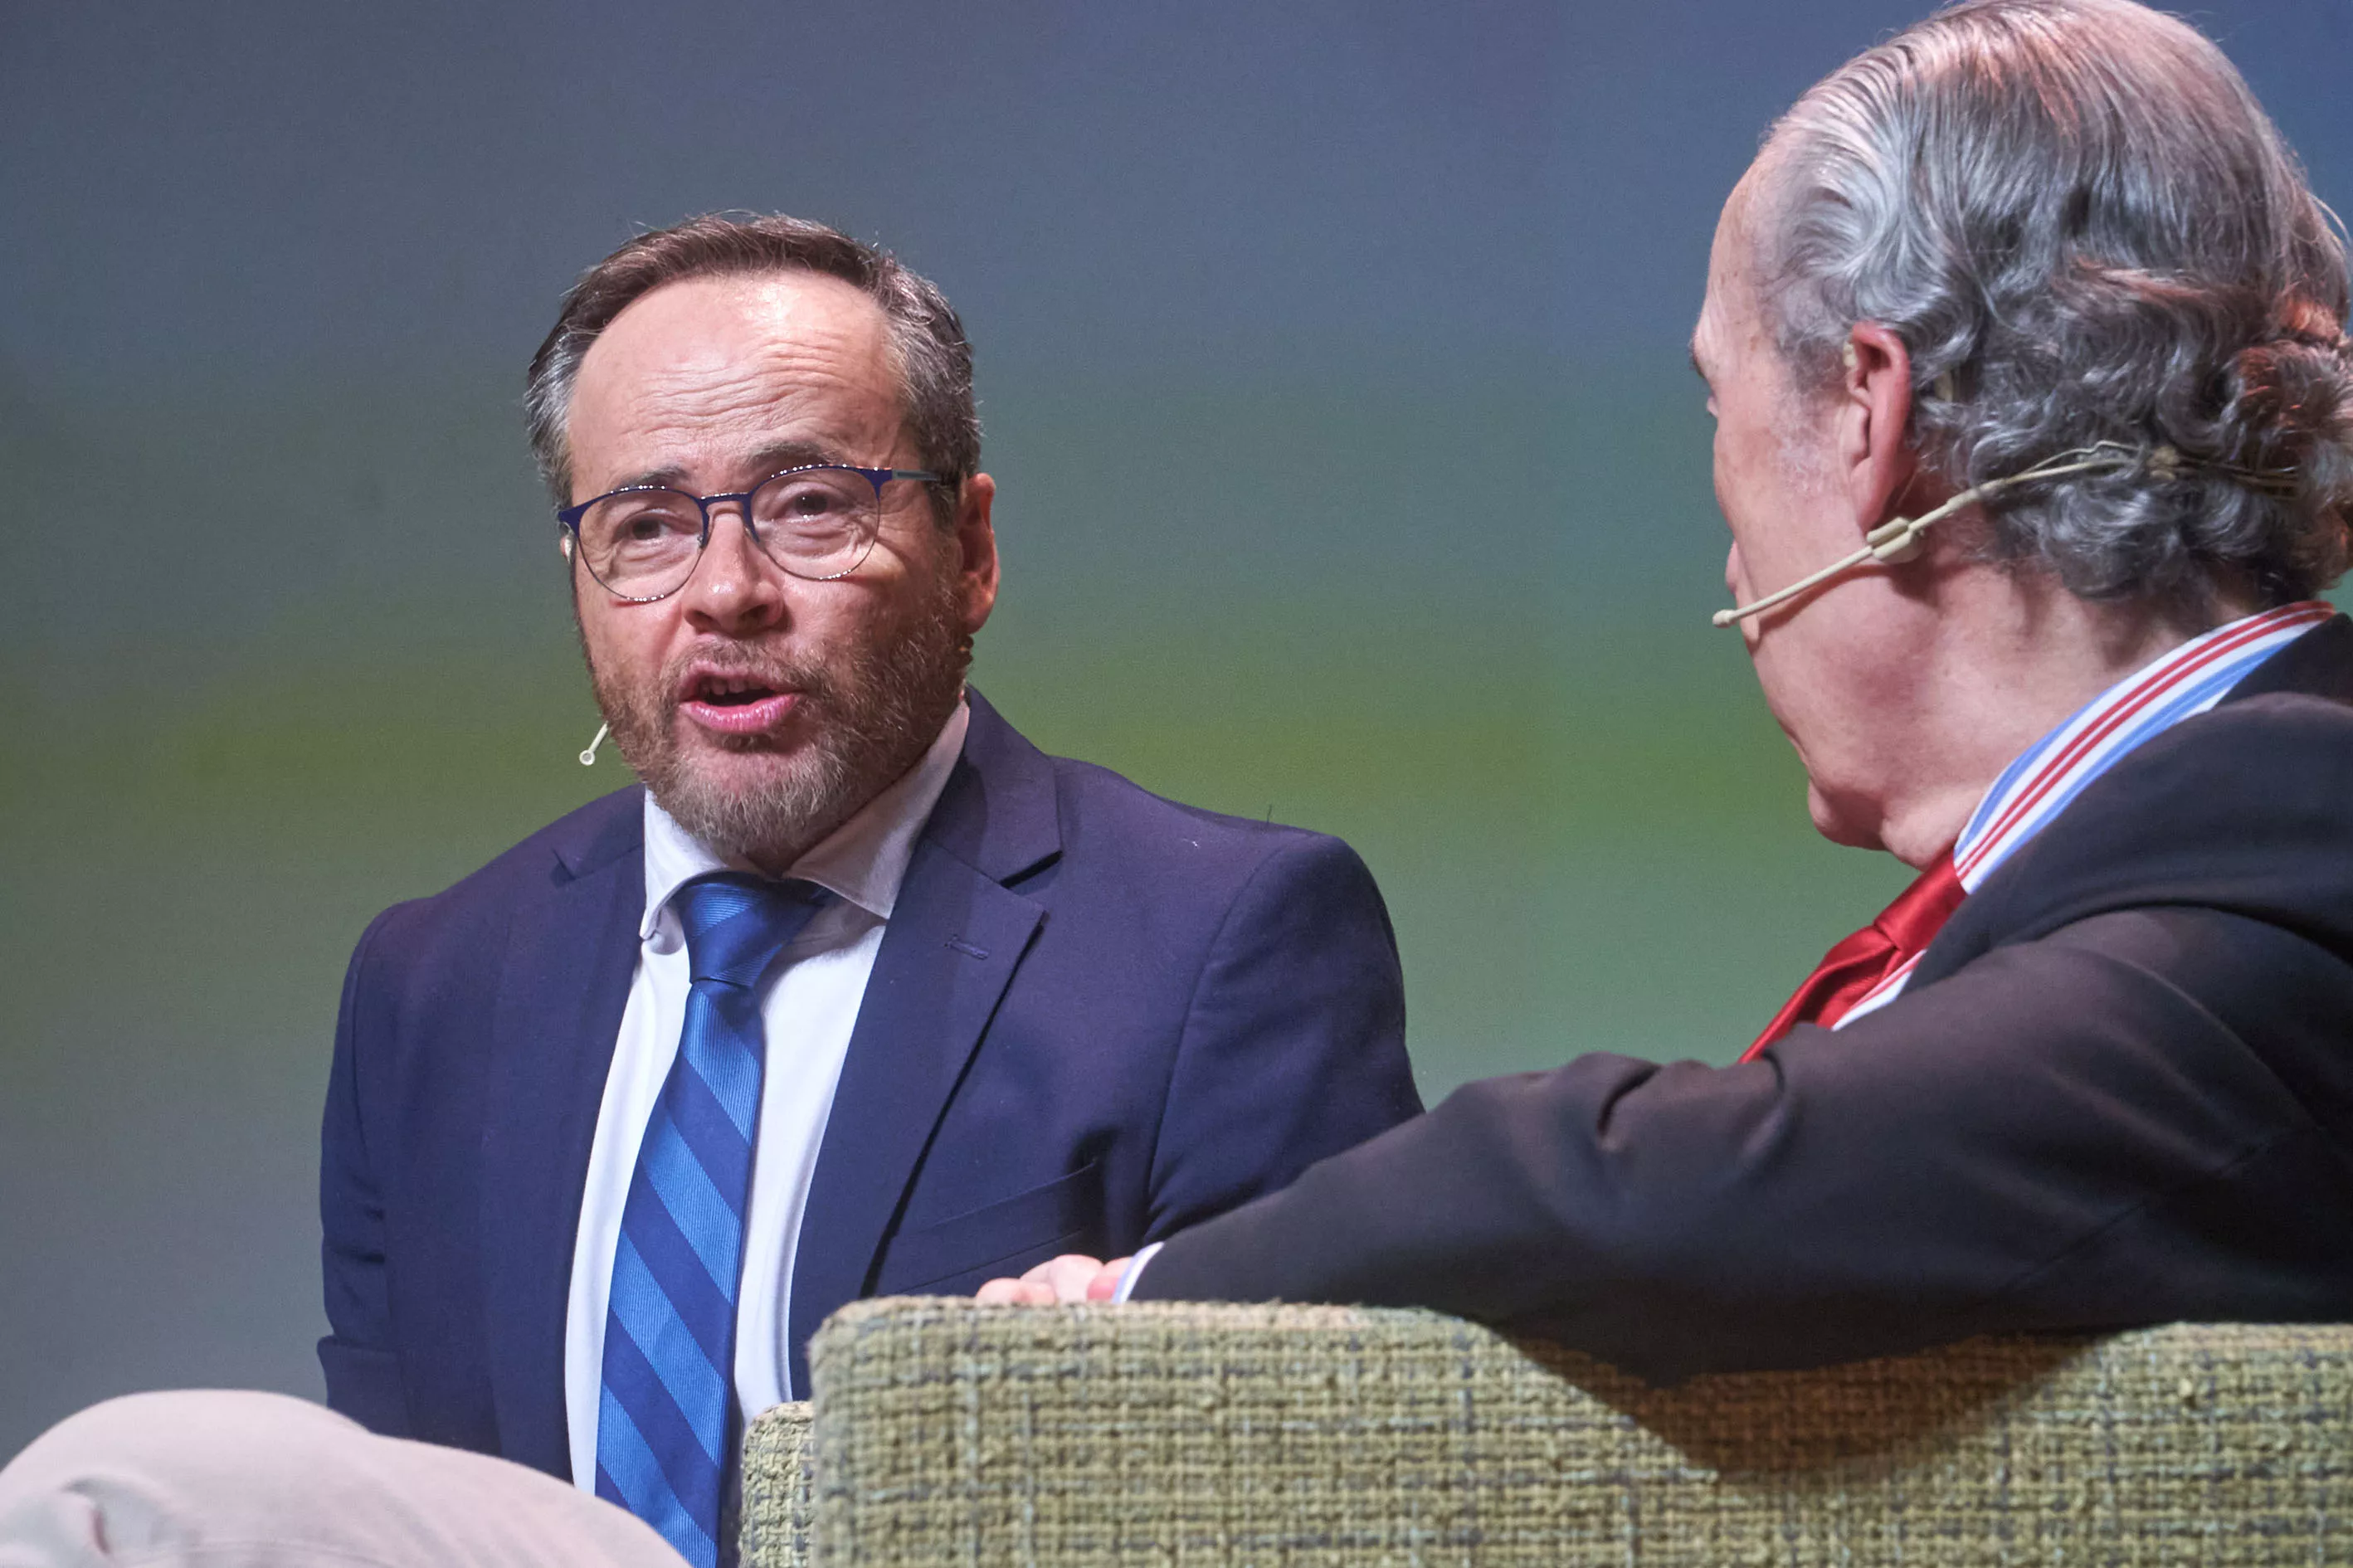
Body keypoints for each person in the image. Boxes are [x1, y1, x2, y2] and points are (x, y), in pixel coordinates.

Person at [984, 0, 2353, 1379]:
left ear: (1874, 416)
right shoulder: (2185, 847)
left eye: (1720, 401)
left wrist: (1134, 1304)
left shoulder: (2299, 811)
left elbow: (1672, 1194)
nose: (1728, 524)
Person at [313, 214, 1421, 1566]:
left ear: (972, 552)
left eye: (810, 505)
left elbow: (1313, 1514)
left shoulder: (1227, 946)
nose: (727, 591)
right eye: (646, 525)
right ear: (579, 579)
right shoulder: (429, 990)